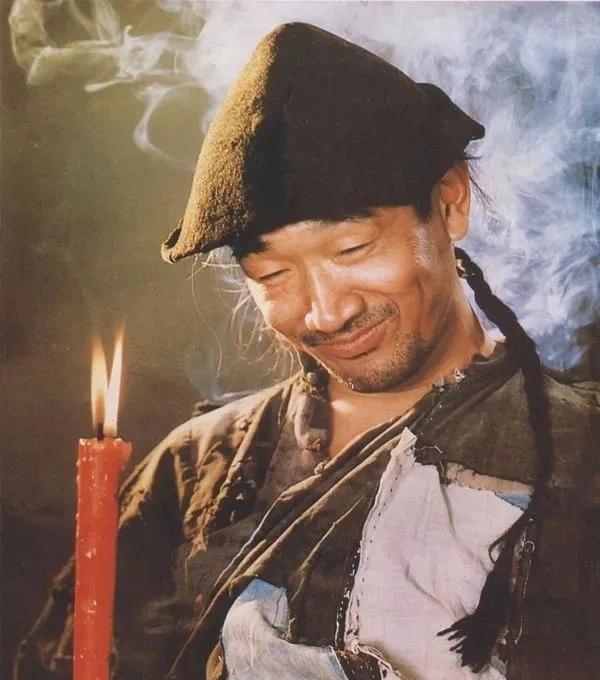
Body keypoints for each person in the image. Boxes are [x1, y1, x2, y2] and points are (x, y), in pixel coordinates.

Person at [14, 22, 599, 680]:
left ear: (450, 202)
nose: (325, 312)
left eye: (352, 248)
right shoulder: (196, 467)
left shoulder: (583, 448)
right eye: (272, 275)